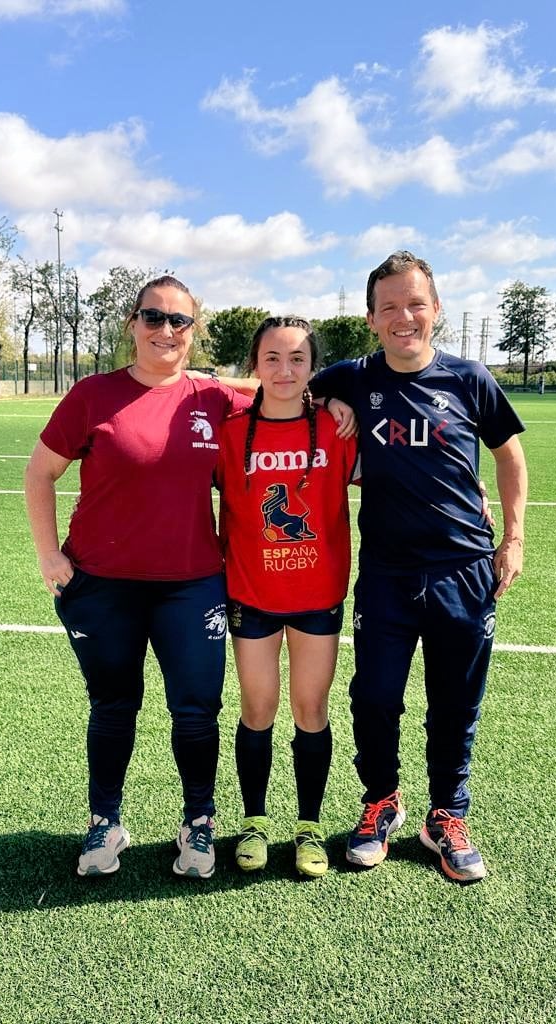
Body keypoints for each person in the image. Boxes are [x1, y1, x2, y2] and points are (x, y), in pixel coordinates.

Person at [24, 274, 252, 881]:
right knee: (113, 706)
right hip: (102, 585)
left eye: (179, 321)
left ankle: (198, 821)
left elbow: (285, 384)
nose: (166, 331)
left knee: (197, 712)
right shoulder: (92, 395)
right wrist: (50, 556)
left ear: (193, 330)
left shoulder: (212, 397)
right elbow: (39, 473)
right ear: (132, 324)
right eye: (154, 317)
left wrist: (334, 397)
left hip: (191, 584)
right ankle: (106, 821)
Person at [309, 251, 528, 883]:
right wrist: (330, 406)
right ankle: (381, 802)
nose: (403, 318)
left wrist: (512, 539)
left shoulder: (470, 378)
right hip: (386, 573)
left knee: (455, 702)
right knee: (374, 697)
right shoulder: (353, 375)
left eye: (415, 304)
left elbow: (510, 456)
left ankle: (447, 813)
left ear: (435, 309)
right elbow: (291, 384)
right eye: (389, 309)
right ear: (372, 319)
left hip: (464, 569)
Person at [215, 316, 359, 878]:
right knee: (257, 709)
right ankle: (254, 820)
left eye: (297, 358)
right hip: (252, 593)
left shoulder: (337, 428)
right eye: (272, 358)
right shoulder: (229, 432)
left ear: (312, 369)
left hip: (317, 594)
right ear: (255, 365)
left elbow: (401, 475)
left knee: (310, 710)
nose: (284, 369)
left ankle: (309, 826)